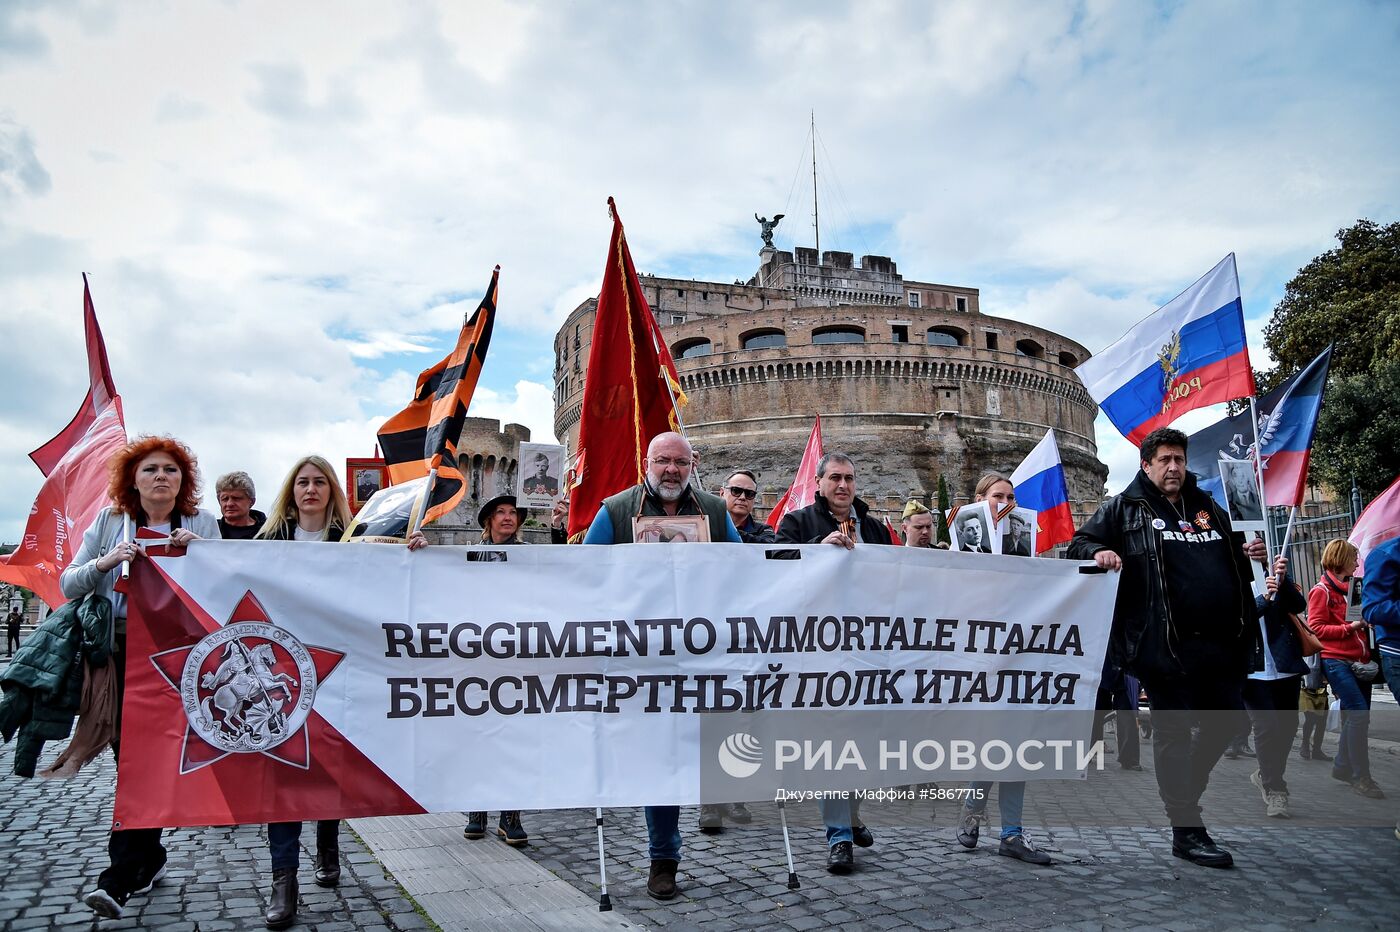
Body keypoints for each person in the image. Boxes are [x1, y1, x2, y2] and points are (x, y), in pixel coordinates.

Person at [1067, 427, 1262, 869]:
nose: (1173, 467)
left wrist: (1251, 550)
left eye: (1179, 459)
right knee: (1173, 734)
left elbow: (1232, 555)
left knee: (1229, 722)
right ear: (1146, 465)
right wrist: (1099, 553)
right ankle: (1186, 829)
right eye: (1165, 460)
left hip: (1221, 643)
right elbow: (1078, 544)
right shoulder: (1124, 508)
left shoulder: (1208, 507)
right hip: (1162, 646)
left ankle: (1184, 792)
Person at [254, 454, 426, 929]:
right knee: (284, 778)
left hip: (336, 671)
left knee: (328, 770)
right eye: (303, 482)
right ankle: (283, 879)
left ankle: (327, 841)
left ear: (332, 491)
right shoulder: (267, 541)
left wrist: (410, 552)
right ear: (291, 491)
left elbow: (384, 585)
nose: (310, 490)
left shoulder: (351, 541)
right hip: (284, 675)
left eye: (319, 483)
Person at [62, 436, 221, 919]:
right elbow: (69, 583)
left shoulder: (200, 523)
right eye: (150, 469)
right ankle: (142, 861)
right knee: (132, 762)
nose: (160, 477)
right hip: (120, 654)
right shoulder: (110, 522)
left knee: (144, 763)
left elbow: (228, 587)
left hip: (178, 658)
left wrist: (203, 556)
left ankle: (123, 876)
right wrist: (105, 562)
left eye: (170, 470)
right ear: (134, 478)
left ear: (183, 481)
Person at [582, 431, 740, 901]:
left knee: (706, 746)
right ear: (645, 462)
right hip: (642, 660)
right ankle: (663, 859)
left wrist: (824, 552)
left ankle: (716, 804)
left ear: (692, 466)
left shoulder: (713, 511)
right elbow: (581, 573)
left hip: (700, 655)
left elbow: (747, 566)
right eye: (663, 461)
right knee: (660, 758)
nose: (671, 470)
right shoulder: (615, 510)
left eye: (680, 462)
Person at [776, 452, 891, 874]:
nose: (843, 486)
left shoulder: (876, 529)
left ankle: (851, 813)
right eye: (835, 478)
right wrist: (815, 550)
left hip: (868, 650)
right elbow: (775, 569)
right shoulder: (798, 524)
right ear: (819, 483)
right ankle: (839, 836)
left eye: (850, 479)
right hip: (820, 651)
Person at [954, 473, 1053, 865]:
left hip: (1018, 658)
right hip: (977, 661)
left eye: (1012, 497)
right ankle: (975, 810)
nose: (1006, 503)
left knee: (1016, 746)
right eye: (998, 496)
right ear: (980, 500)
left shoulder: (1023, 547)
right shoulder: (961, 548)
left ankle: (1011, 831)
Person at [462, 494, 534, 847]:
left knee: (513, 734)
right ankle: (477, 807)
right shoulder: (467, 556)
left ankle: (510, 814)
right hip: (479, 655)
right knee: (478, 733)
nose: (508, 518)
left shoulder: (529, 556)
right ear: (488, 520)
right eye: (500, 513)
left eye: (512, 513)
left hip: (516, 656)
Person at [1307, 539, 1384, 800]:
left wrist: (1366, 623)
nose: (1357, 562)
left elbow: (1359, 618)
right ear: (1340, 560)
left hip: (1359, 661)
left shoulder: (1354, 589)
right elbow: (1315, 628)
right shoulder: (1322, 591)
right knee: (1359, 716)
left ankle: (1342, 766)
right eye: (1353, 558)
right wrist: (1349, 628)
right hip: (1335, 660)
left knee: (1356, 718)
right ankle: (1360, 776)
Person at [1242, 555, 1307, 818]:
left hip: (1284, 665)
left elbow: (1298, 605)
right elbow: (1231, 621)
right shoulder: (1229, 579)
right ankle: (1275, 789)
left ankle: (1266, 773)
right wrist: (1263, 600)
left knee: (1288, 727)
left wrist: (1283, 581)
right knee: (1266, 727)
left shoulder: (1272, 574)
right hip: (1251, 669)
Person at [719, 469, 775, 544]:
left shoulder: (764, 531)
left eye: (749, 493)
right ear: (722, 493)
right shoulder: (707, 526)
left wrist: (730, 531)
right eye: (736, 491)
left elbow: (768, 548)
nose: (743, 497)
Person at [215, 470, 266, 540]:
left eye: (236, 498)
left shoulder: (271, 532)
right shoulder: (210, 531)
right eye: (225, 499)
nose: (229, 504)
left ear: (252, 501)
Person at [1297, 654, 1331, 761]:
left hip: (1321, 686)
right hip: (1305, 686)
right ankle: (1305, 744)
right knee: (1310, 718)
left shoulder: (1323, 644)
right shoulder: (1304, 642)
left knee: (1322, 719)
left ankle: (1317, 749)